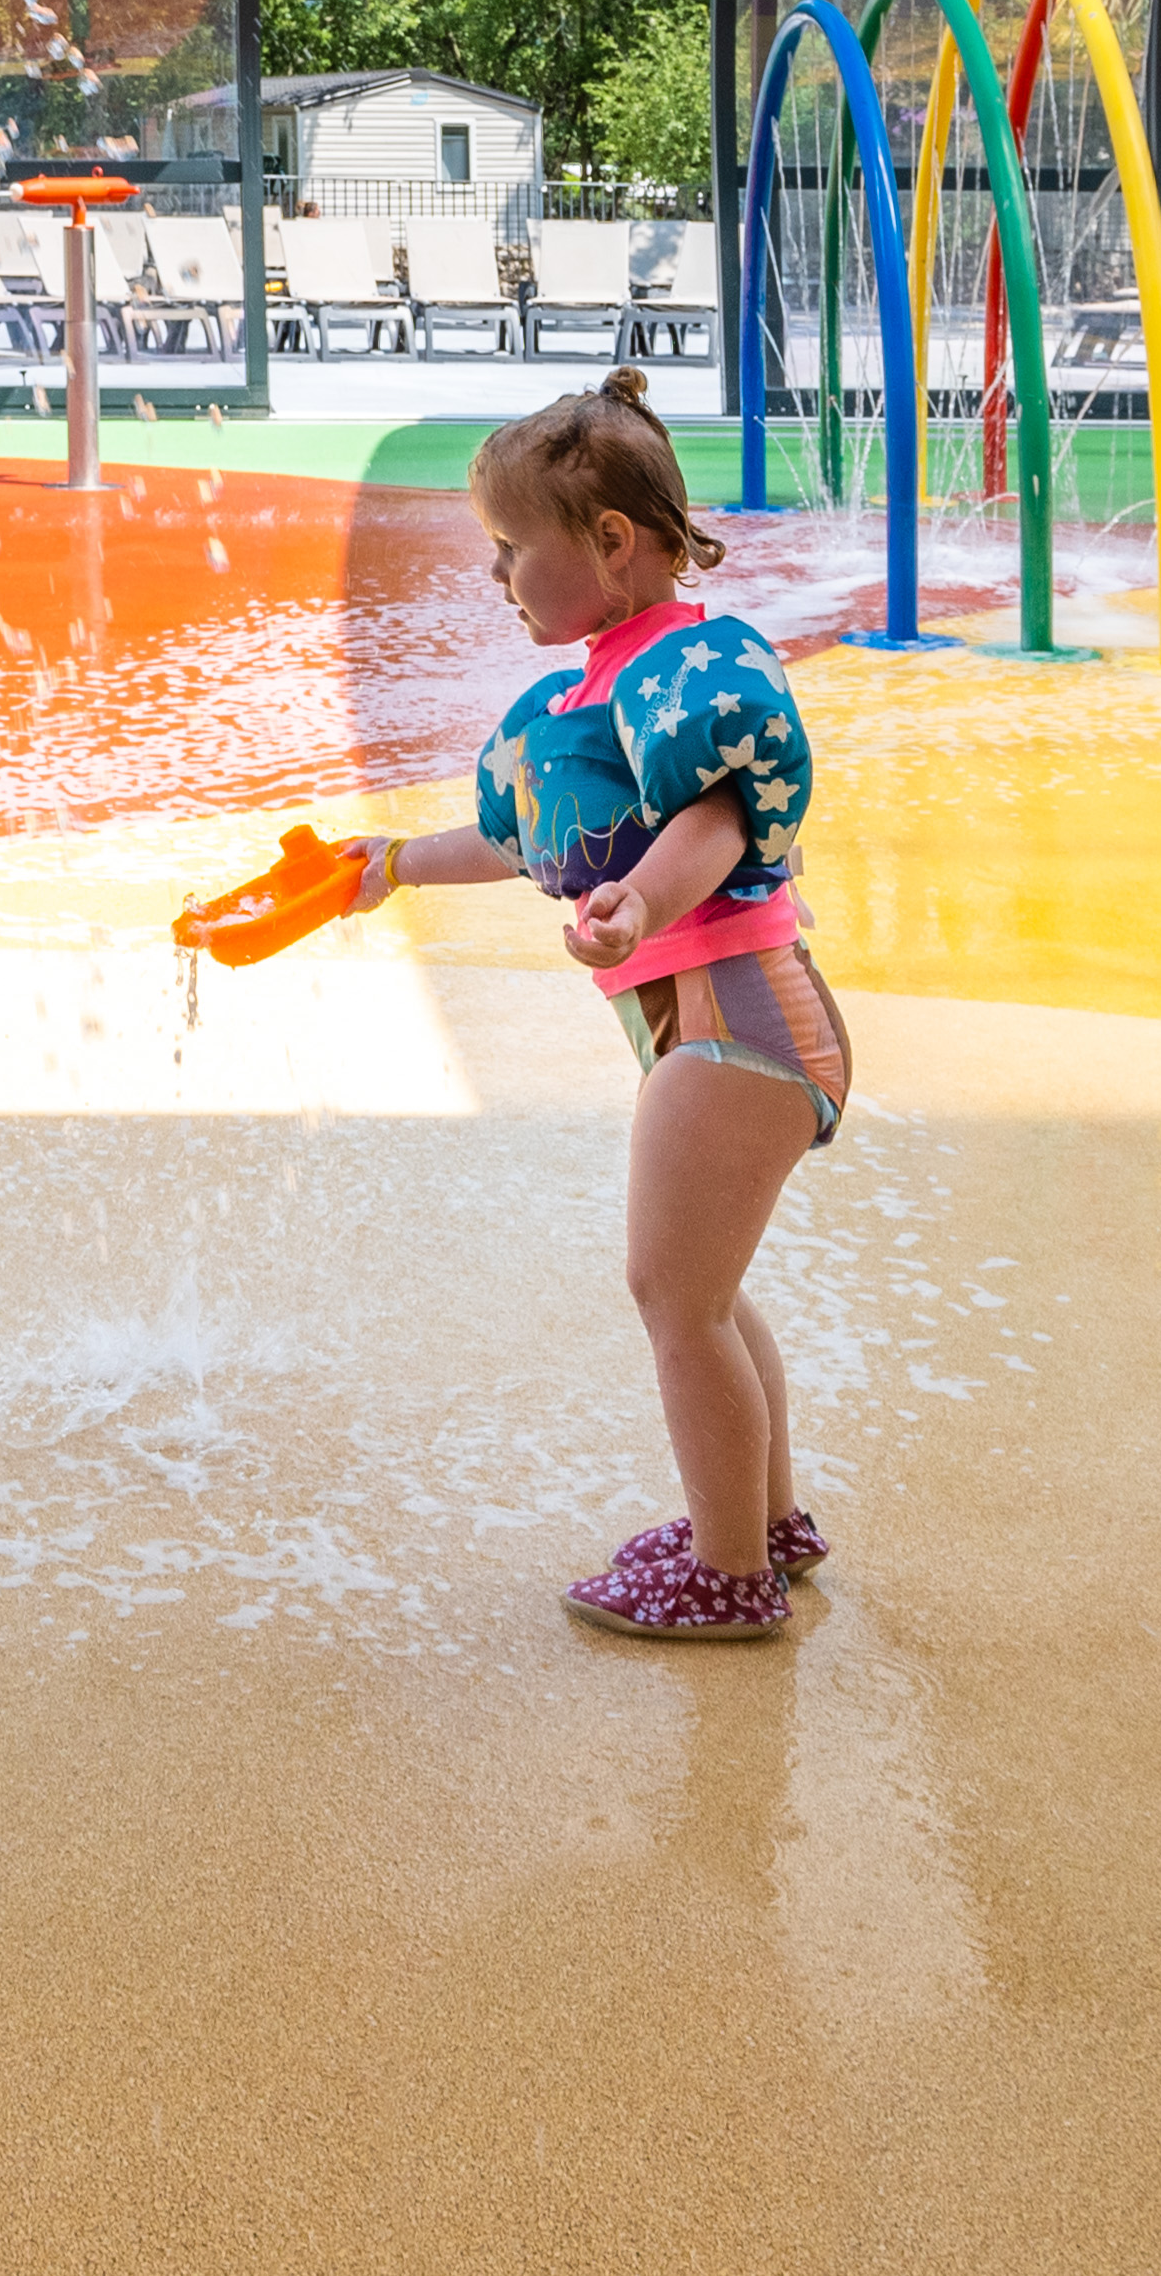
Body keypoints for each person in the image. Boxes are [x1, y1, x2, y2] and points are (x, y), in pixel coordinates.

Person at [348, 371, 848, 1644]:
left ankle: (728, 1568)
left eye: (514, 549)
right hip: (728, 1024)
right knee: (710, 1292)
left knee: (673, 1296)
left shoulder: (688, 666)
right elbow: (523, 841)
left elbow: (718, 816)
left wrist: (637, 902)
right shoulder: (603, 691)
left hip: (736, 1015)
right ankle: (767, 1522)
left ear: (611, 544)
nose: (498, 573)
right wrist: (394, 861)